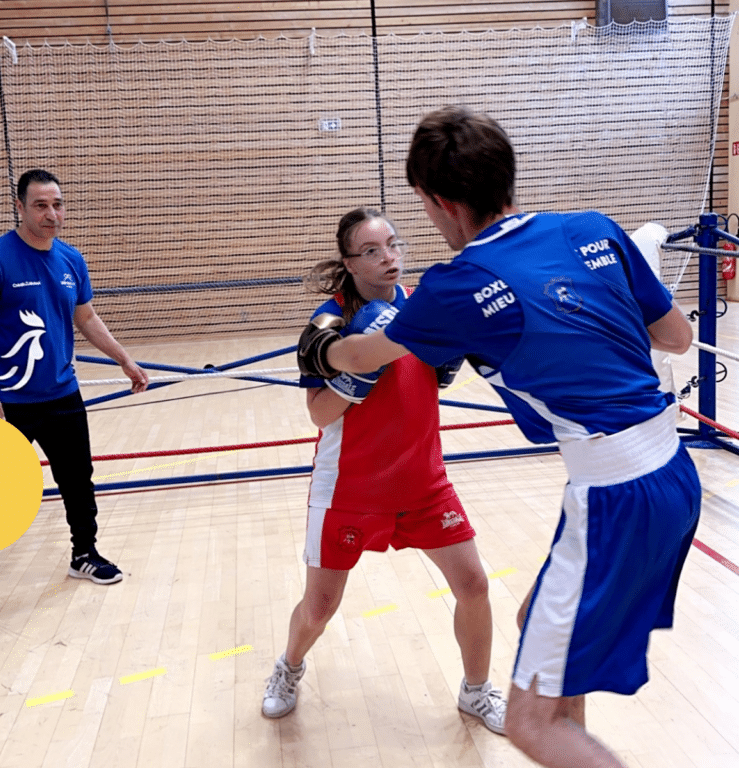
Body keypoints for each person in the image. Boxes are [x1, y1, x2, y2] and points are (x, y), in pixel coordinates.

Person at [297, 108, 701, 768]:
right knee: (538, 640)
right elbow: (677, 339)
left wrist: (326, 351)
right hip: (675, 473)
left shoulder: (457, 284)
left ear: (438, 203)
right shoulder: (593, 228)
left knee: (529, 723)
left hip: (615, 495)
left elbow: (369, 357)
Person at [261, 206, 507, 735]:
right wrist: (355, 378)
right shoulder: (328, 323)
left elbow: (434, 379)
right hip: (350, 486)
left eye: (393, 245)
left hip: (424, 481)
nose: (388, 258)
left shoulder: (424, 307)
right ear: (349, 263)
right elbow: (318, 414)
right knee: (320, 607)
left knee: (474, 583)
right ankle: (289, 667)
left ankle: (476, 691)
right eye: (371, 251)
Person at [0, 168, 149, 617]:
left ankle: (83, 554)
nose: (52, 215)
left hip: (62, 394)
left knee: (77, 479)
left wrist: (124, 358)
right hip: (6, 401)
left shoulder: (71, 260)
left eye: (57, 205)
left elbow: (85, 319)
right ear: (19, 207)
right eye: (41, 205)